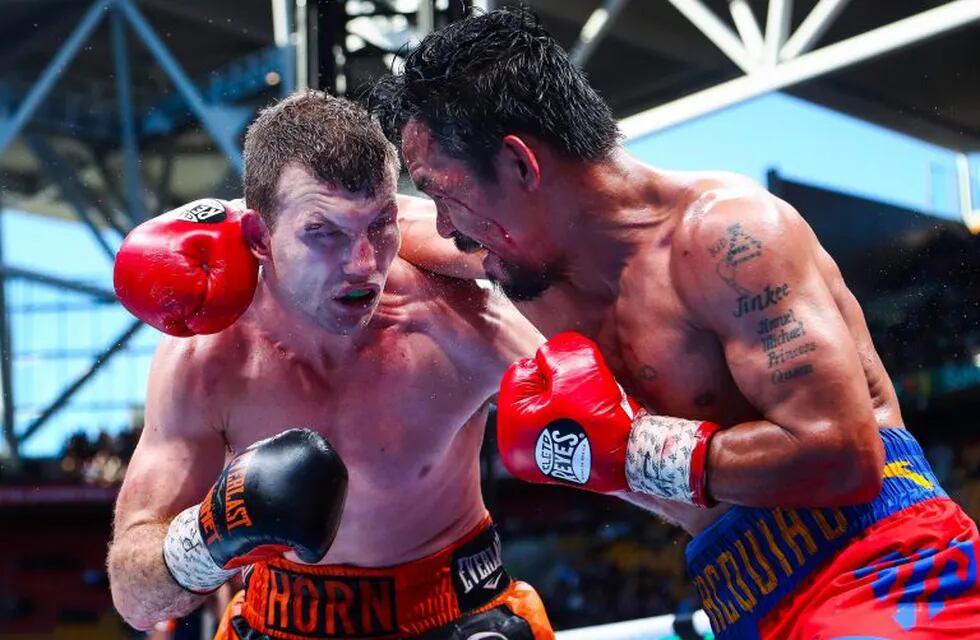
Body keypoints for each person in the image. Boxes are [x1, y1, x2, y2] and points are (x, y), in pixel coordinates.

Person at [370, 8, 980, 639]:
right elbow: (377, 227)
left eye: (446, 194)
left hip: (886, 569)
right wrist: (264, 225)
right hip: (742, 596)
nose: (444, 225)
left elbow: (843, 456)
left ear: (521, 165)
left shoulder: (730, 238)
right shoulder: (516, 248)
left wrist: (632, 449)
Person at [107, 91, 554, 640]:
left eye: (380, 225)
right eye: (324, 233)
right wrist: (205, 540)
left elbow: (620, 434)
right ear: (260, 238)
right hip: (277, 622)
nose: (363, 265)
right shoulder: (208, 358)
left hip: (458, 614)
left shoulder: (458, 323)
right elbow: (134, 597)